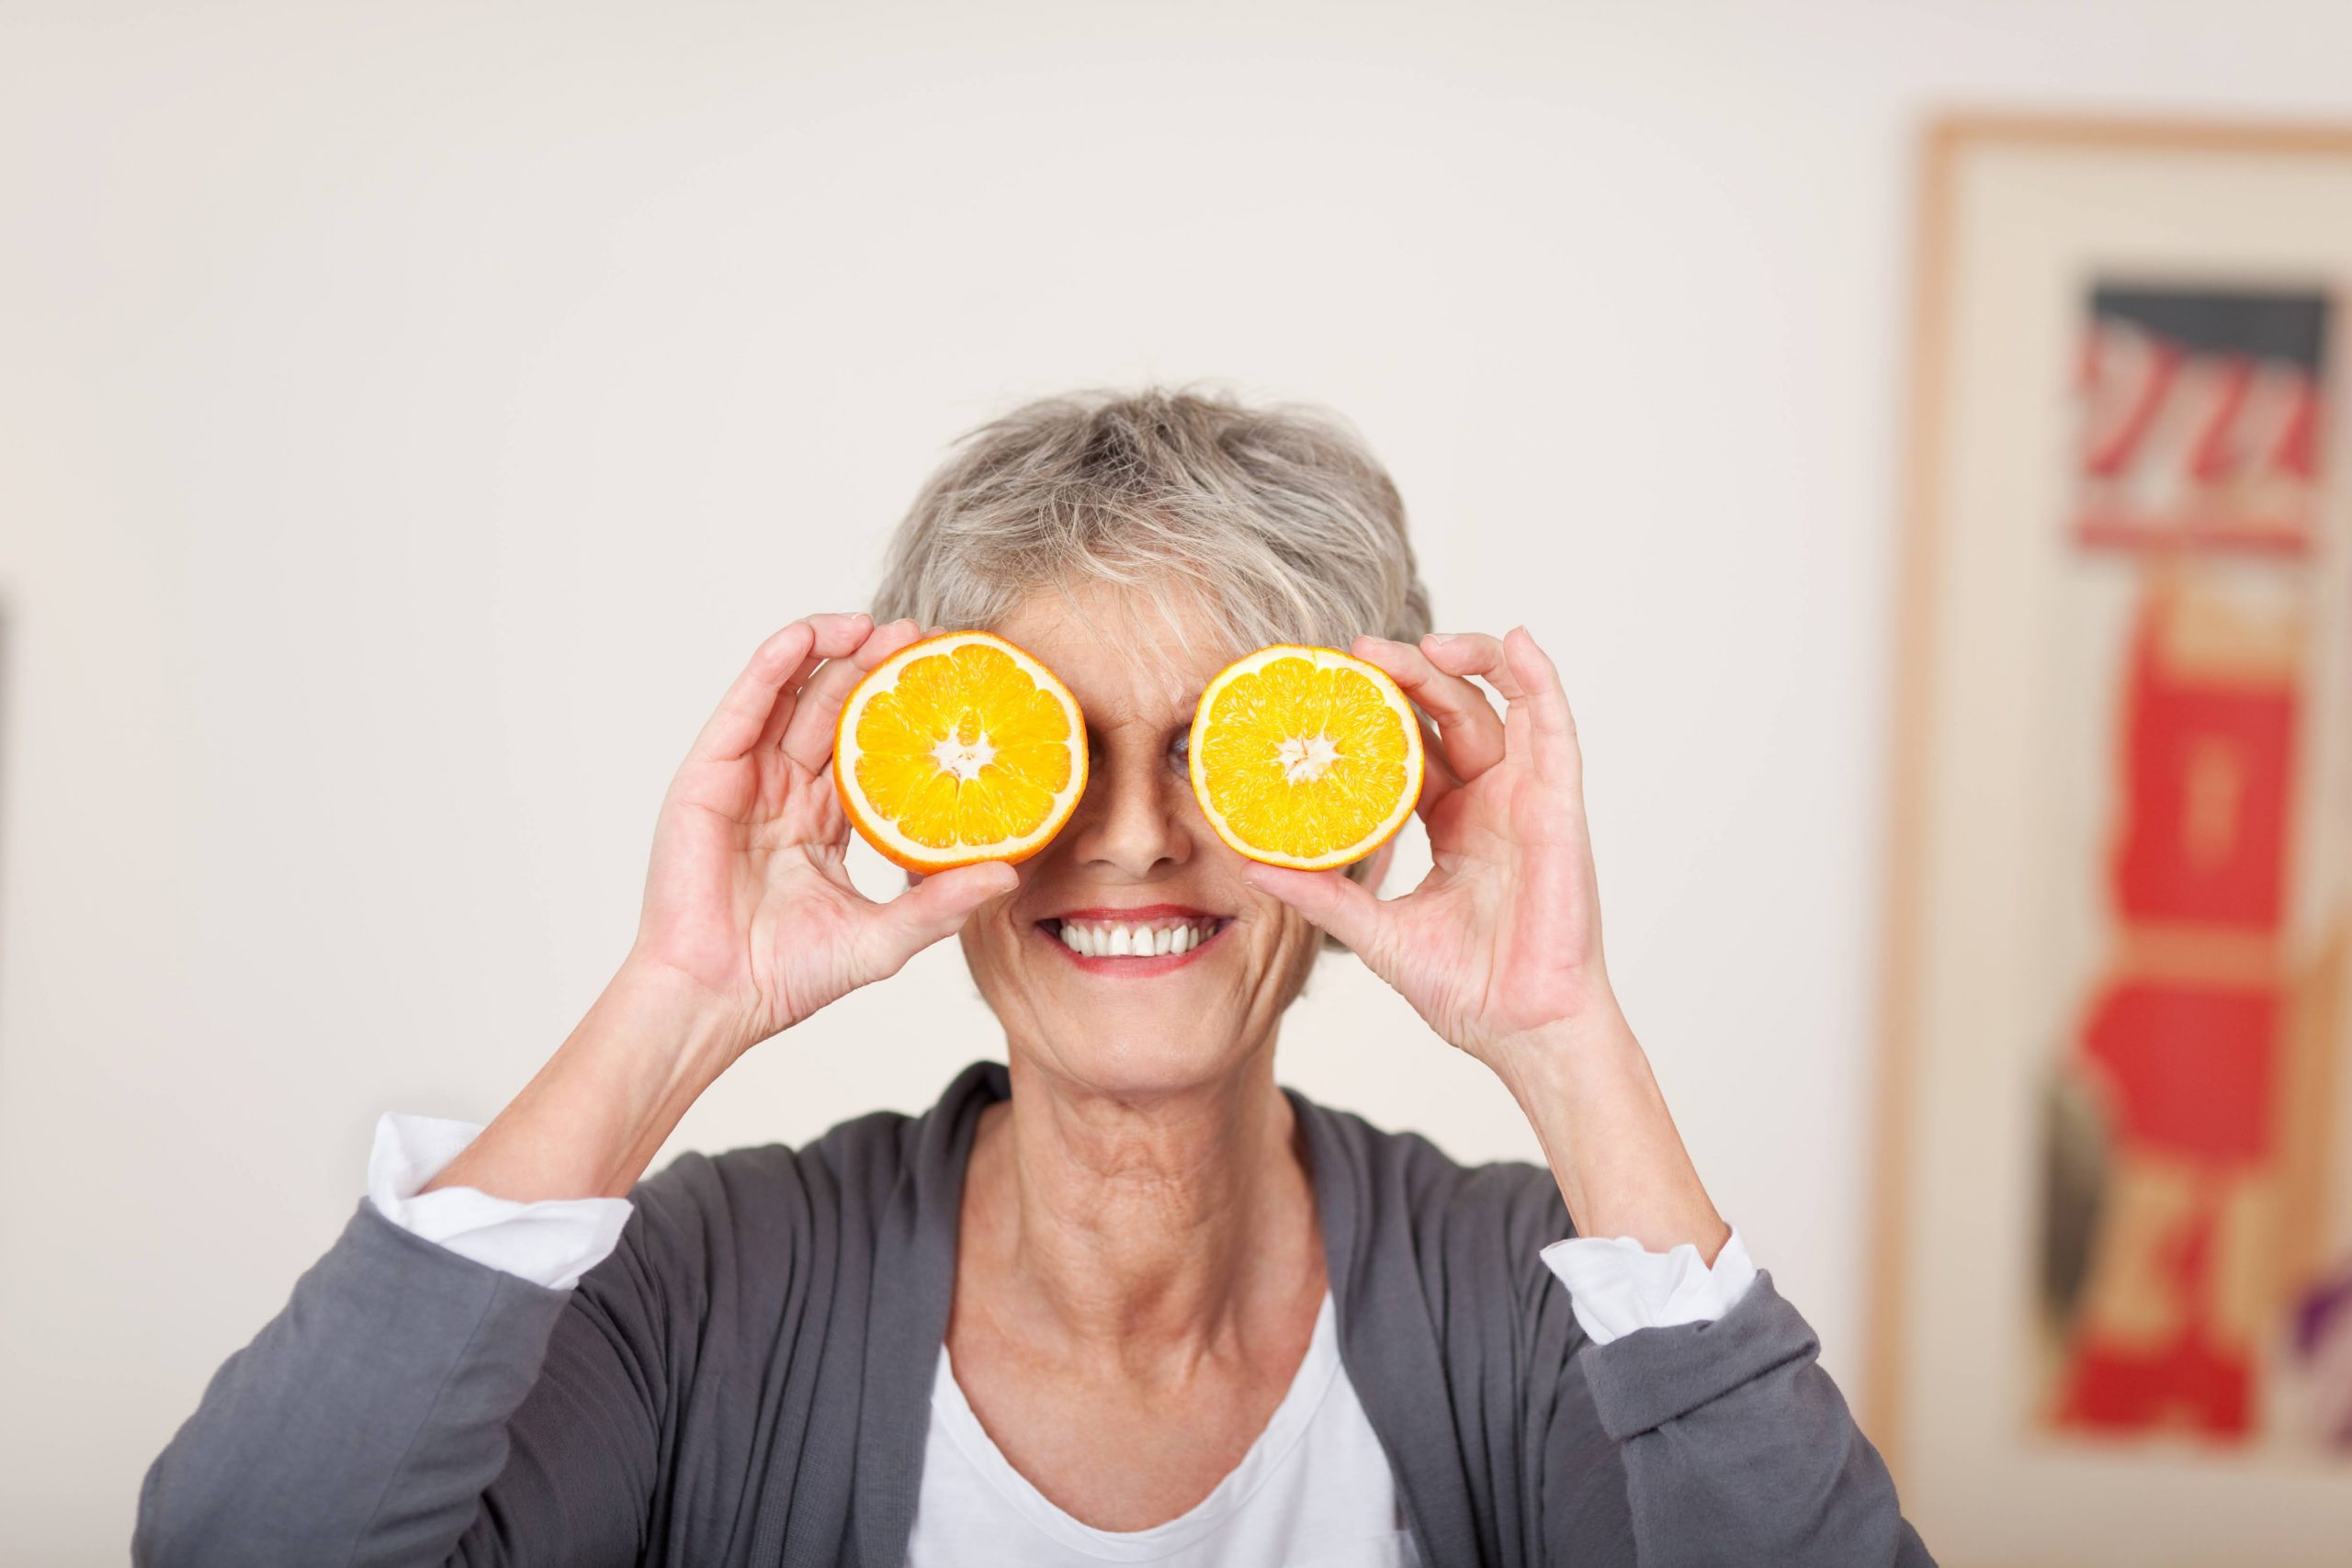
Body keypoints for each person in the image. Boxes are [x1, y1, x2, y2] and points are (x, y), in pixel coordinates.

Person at [136, 389, 1932, 1566]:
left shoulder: (1532, 1305)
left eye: (1226, 755)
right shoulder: (703, 1286)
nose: (1135, 838)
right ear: (922, 800)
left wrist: (1564, 1035)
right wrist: (678, 994)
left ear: (1363, 805)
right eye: (1047, 752)